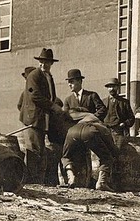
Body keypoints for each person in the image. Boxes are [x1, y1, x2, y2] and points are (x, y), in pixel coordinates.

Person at [18, 48, 64, 184]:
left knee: (40, 150)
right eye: (41, 62)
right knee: (33, 150)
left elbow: (50, 96)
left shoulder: (48, 77)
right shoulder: (34, 76)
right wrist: (52, 106)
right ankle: (32, 182)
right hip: (33, 119)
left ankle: (38, 180)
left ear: (51, 64)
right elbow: (35, 96)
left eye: (46, 62)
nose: (43, 65)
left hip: (42, 120)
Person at [61, 110, 118, 191]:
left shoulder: (80, 117)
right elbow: (111, 148)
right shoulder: (103, 126)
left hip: (72, 131)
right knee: (107, 157)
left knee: (66, 156)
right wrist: (114, 153)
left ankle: (71, 177)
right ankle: (101, 182)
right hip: (90, 131)